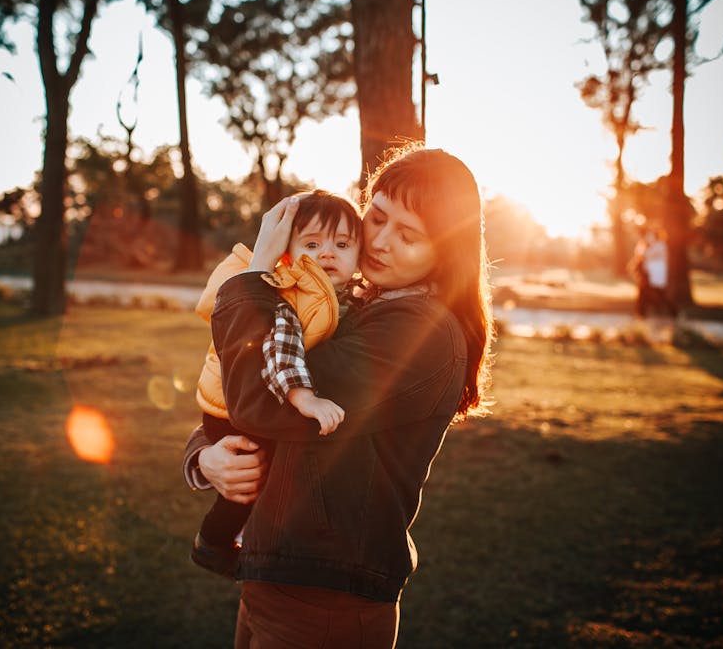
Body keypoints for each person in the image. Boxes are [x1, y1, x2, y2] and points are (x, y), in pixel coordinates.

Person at [182, 144, 493, 648]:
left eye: (409, 235)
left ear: (445, 253)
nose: (381, 241)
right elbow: (245, 377)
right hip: (273, 575)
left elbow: (264, 401)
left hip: (326, 603)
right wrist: (207, 455)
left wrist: (253, 275)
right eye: (378, 215)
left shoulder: (420, 334)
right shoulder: (345, 303)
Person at [191, 190, 364, 577]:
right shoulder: (289, 292)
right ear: (288, 251)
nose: (328, 254)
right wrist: (305, 398)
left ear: (359, 255)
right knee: (249, 483)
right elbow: (281, 348)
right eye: (313, 244)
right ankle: (211, 544)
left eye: (342, 244)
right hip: (229, 410)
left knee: (259, 481)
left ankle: (234, 539)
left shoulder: (335, 294)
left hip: (241, 401)